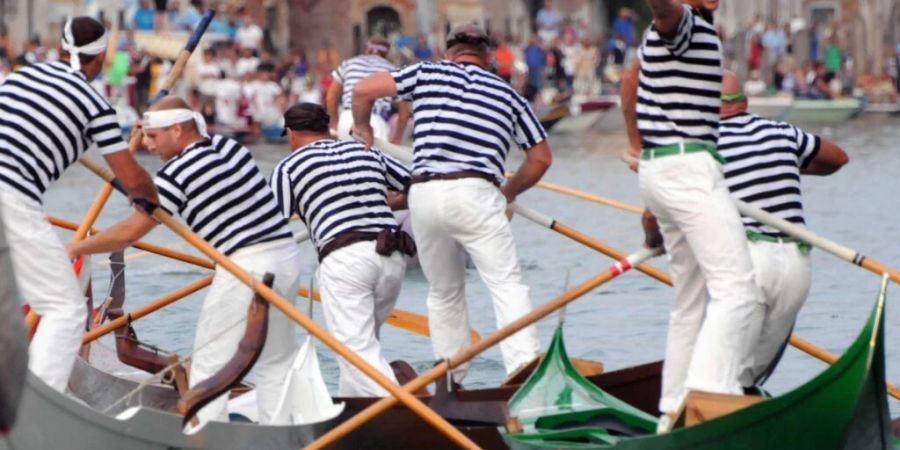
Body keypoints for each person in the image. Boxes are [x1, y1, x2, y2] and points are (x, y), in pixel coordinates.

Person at [66, 96, 301, 428]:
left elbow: (130, 231)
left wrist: (77, 247)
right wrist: (150, 127)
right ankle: (280, 434)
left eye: (153, 137)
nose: (147, 145)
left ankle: (207, 437)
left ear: (177, 130)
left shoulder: (177, 174)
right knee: (276, 362)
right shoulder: (227, 147)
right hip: (286, 259)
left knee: (209, 365)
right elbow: (189, 136)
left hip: (245, 269)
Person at [351, 24, 552, 384]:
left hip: (424, 196)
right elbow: (540, 158)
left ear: (449, 53)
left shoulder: (427, 72)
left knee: (444, 291)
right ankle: (524, 369)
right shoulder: (508, 95)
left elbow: (363, 90)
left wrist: (364, 129)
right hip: (477, 193)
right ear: (488, 57)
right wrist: (510, 191)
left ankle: (450, 377)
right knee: (506, 284)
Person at [0, 17, 158, 392]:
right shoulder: (94, 105)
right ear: (101, 55)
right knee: (65, 309)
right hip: (12, 197)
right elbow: (132, 178)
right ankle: (35, 406)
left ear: (61, 49)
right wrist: (149, 199)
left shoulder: (19, 78)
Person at [634, 0, 762, 431]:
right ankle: (707, 401)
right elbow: (664, 10)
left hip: (663, 166)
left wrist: (640, 148)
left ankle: (671, 410)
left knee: (690, 299)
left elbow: (630, 82)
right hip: (687, 167)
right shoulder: (683, 23)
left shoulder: (687, 31)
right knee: (739, 289)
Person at [270, 103, 414, 396]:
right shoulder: (366, 152)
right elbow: (417, 186)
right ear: (327, 129)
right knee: (363, 345)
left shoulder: (289, 167)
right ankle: (355, 414)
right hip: (392, 258)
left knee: (355, 352)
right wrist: (388, 203)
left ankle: (407, 413)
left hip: (346, 260)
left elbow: (272, 222)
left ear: (292, 133)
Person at [716, 71, 848, 387]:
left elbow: (658, 218)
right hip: (795, 266)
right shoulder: (780, 131)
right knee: (745, 377)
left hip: (746, 263)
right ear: (746, 102)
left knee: (720, 373)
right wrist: (792, 163)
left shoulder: (702, 145)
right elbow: (838, 158)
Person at [325, 38, 409, 144]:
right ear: (386, 54)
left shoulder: (349, 63)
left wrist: (334, 122)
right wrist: (397, 138)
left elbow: (331, 96)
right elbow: (404, 114)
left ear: (366, 50)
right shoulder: (392, 70)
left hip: (347, 118)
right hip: (377, 122)